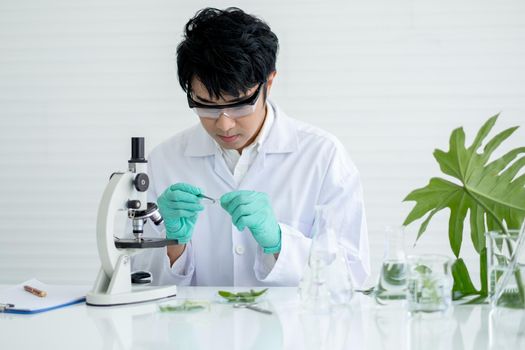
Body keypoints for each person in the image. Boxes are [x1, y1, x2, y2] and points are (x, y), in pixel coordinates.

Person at [131, 7, 370, 287]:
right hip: (197, 329)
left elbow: (354, 277)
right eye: (206, 106)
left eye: (240, 104)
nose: (224, 125)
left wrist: (279, 242)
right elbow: (137, 280)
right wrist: (174, 245)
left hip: (291, 330)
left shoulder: (323, 156)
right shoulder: (164, 161)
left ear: (269, 82)